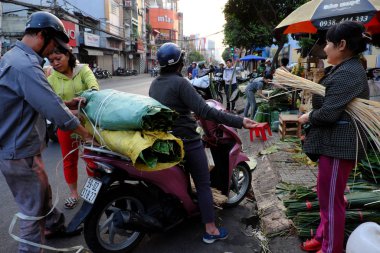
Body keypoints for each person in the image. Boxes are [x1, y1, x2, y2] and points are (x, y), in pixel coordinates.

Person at [0, 11, 94, 253]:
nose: (53, 52)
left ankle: (54, 226)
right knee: (32, 210)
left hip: (22, 145)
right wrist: (87, 136)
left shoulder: (15, 57)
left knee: (43, 191)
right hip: (18, 150)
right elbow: (54, 110)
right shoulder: (25, 66)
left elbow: (40, 101)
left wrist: (69, 106)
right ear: (42, 36)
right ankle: (30, 249)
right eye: (53, 44)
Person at [149, 42, 257, 244]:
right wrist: (240, 121)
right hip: (187, 141)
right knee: (203, 183)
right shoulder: (181, 83)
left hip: (164, 141)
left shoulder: (155, 84)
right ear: (180, 63)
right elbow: (206, 111)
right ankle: (211, 229)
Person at [298, 21, 371, 253]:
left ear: (341, 45)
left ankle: (331, 248)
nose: (325, 48)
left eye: (328, 43)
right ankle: (322, 236)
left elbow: (328, 113)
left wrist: (308, 116)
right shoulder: (345, 68)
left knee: (332, 200)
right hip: (333, 145)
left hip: (340, 146)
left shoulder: (350, 73)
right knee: (327, 196)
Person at [47, 45, 100, 209]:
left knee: (92, 159)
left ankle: (94, 192)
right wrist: (71, 112)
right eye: (51, 61)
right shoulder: (51, 79)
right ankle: (73, 194)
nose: (55, 63)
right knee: (69, 160)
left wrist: (86, 98)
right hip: (66, 124)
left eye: (58, 58)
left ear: (68, 55)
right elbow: (51, 103)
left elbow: (94, 88)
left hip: (88, 123)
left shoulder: (83, 70)